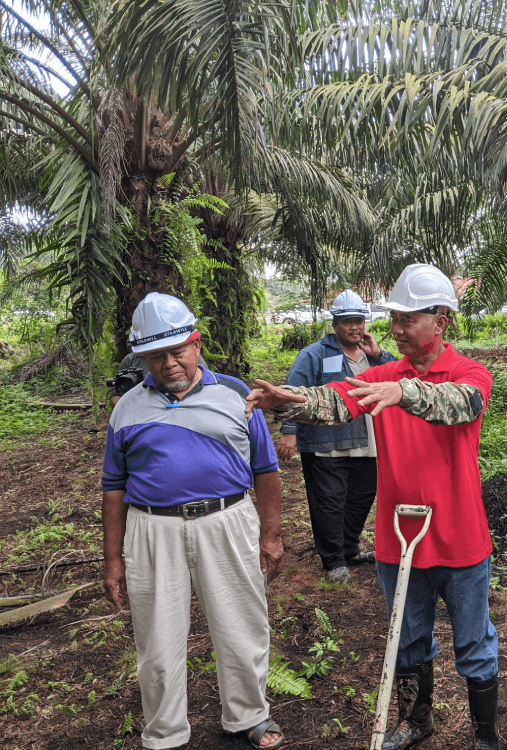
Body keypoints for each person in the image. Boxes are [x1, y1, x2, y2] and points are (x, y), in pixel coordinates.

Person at [245, 264, 501, 750]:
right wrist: (290, 400)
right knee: (406, 636)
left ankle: (486, 735)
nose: (396, 329)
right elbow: (337, 400)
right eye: (395, 319)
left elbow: (461, 404)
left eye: (407, 318)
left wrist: (402, 392)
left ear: (440, 322)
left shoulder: (469, 373)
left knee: (473, 642)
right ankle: (415, 720)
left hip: (460, 534)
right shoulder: (382, 375)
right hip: (396, 534)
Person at [101, 292, 285, 750]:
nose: (167, 363)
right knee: (158, 640)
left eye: (176, 351)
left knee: (242, 625)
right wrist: (113, 560)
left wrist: (272, 534)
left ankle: (249, 715)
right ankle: (164, 733)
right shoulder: (126, 408)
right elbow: (113, 487)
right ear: (143, 357)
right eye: (155, 355)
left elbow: (266, 469)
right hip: (151, 530)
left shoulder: (237, 394)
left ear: (196, 343)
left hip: (227, 521)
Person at [278, 289, 396, 583]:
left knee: (360, 499)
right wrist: (289, 432)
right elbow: (294, 393)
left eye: (359, 320)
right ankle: (333, 562)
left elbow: (399, 377)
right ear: (335, 325)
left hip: (367, 443)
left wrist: (378, 354)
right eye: (347, 321)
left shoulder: (372, 355)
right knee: (329, 503)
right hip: (325, 445)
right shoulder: (314, 355)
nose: (354, 327)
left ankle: (350, 549)